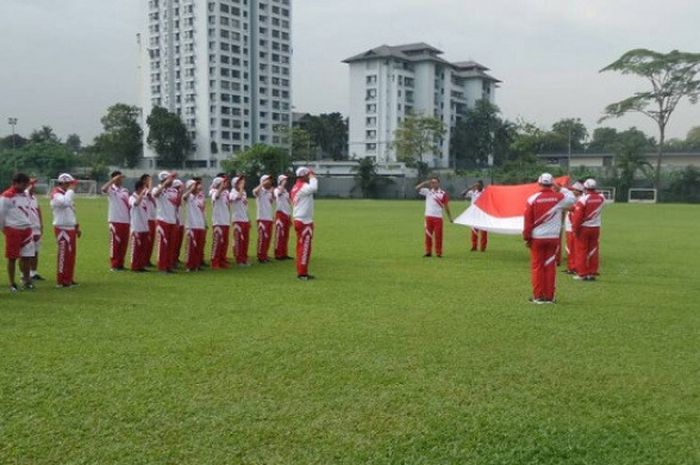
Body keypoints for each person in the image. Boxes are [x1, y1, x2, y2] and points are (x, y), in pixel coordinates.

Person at [523, 173, 575, 304]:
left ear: (539, 183)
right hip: (553, 238)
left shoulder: (532, 199)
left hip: (537, 238)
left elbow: (528, 222)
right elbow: (572, 198)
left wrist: (527, 238)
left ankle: (538, 296)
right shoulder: (558, 197)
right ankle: (549, 296)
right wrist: (561, 188)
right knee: (550, 267)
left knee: (537, 267)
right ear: (551, 184)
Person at [0, 173, 35, 291]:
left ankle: (26, 280)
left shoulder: (25, 195)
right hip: (13, 229)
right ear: (15, 183)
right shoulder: (7, 196)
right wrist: (3, 229)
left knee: (27, 256)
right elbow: (1, 214)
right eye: (23, 184)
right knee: (12, 257)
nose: (25, 186)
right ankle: (11, 282)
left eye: (27, 184)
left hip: (27, 228)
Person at [50, 173, 81, 288]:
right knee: (63, 255)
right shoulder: (56, 194)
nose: (72, 186)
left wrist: (76, 226)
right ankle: (61, 280)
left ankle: (68, 278)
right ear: (63, 183)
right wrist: (70, 191)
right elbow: (65, 203)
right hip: (62, 228)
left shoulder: (66, 194)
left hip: (70, 227)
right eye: (70, 183)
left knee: (71, 255)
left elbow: (71, 210)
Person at [572, 178, 606, 281]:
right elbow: (600, 196)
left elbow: (577, 217)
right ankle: (592, 272)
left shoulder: (583, 199)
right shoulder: (602, 198)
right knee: (593, 250)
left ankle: (582, 273)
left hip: (584, 228)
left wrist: (575, 229)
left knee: (581, 250)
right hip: (596, 227)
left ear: (585, 188)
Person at [291, 167, 318, 280]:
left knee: (300, 247)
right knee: (305, 248)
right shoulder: (303, 186)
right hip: (304, 221)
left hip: (299, 219)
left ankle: (302, 271)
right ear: (304, 176)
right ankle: (302, 273)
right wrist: (313, 177)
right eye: (308, 175)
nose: (309, 176)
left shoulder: (296, 186)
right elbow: (314, 188)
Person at [416, 177, 453, 258]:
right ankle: (428, 252)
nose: (433, 184)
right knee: (428, 235)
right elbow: (417, 188)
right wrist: (425, 182)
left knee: (438, 236)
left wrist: (450, 217)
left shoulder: (443, 193)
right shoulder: (428, 191)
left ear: (438, 183)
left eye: (435, 182)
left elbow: (446, 206)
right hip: (428, 216)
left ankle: (438, 253)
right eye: (432, 182)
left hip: (438, 218)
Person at [101, 171, 130, 271]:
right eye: (119, 178)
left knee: (123, 244)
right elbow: (103, 189)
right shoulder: (111, 190)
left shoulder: (125, 190)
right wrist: (113, 180)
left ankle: (120, 264)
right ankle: (114, 265)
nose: (121, 180)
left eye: (121, 178)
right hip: (115, 220)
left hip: (126, 220)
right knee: (115, 243)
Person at [152, 171, 181, 273]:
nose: (172, 180)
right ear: (164, 179)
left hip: (172, 220)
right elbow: (155, 194)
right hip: (162, 220)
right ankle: (162, 266)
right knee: (162, 245)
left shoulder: (173, 191)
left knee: (171, 245)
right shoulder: (157, 188)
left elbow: (177, 204)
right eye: (170, 178)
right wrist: (164, 184)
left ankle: (168, 266)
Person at [183, 179, 206, 272]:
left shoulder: (198, 198)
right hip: (191, 225)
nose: (197, 187)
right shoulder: (189, 197)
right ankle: (189, 265)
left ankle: (196, 265)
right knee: (190, 247)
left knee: (198, 247)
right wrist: (191, 189)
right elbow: (184, 196)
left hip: (200, 225)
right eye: (195, 186)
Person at [562, 181, 584, 274]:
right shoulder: (575, 198)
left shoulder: (580, 200)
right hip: (570, 226)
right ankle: (571, 267)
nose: (572, 191)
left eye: (574, 190)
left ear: (578, 191)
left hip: (573, 226)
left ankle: (574, 267)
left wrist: (561, 207)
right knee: (570, 247)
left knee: (572, 248)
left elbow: (572, 209)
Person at [128, 179, 150, 272]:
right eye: (143, 188)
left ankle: (141, 265)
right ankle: (134, 266)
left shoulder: (144, 198)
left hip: (144, 226)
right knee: (136, 248)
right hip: (136, 226)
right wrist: (142, 194)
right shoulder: (132, 197)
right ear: (139, 188)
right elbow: (136, 203)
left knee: (143, 248)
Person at [209, 174, 231, 269]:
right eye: (223, 182)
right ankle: (215, 262)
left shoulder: (226, 192)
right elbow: (216, 196)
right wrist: (221, 187)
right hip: (218, 221)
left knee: (224, 242)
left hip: (225, 220)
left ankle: (222, 260)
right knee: (217, 242)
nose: (226, 184)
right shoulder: (213, 192)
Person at [253, 174, 275, 263]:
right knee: (262, 238)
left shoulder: (269, 191)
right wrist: (262, 184)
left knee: (268, 238)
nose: (269, 181)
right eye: (267, 180)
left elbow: (272, 201)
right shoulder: (260, 191)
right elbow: (255, 191)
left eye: (270, 180)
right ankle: (261, 256)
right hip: (262, 218)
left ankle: (264, 255)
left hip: (269, 218)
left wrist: (272, 192)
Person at [230, 175, 250, 266]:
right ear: (235, 184)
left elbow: (246, 206)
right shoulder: (232, 193)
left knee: (245, 241)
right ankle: (239, 260)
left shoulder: (244, 192)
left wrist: (248, 218)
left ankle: (244, 258)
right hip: (237, 220)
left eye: (242, 182)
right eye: (240, 182)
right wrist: (241, 188)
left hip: (245, 219)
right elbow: (237, 198)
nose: (242, 183)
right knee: (239, 241)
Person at [462, 180, 487, 252]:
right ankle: (474, 246)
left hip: (483, 214)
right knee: (474, 231)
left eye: (479, 185)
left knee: (483, 231)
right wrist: (470, 188)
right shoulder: (473, 192)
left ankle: (483, 247)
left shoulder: (485, 192)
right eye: (476, 185)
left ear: (482, 185)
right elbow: (462, 194)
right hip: (474, 214)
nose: (477, 187)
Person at [27, 178, 44, 281]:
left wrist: (41, 224)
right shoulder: (24, 196)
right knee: (27, 252)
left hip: (36, 227)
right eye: (32, 184)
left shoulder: (34, 198)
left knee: (36, 251)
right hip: (28, 228)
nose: (34, 186)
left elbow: (38, 210)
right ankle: (24, 274)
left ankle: (33, 273)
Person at [274, 174, 293, 260]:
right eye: (284, 180)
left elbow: (289, 201)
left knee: (286, 235)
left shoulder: (286, 191)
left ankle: (284, 253)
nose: (286, 181)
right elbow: (278, 194)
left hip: (287, 214)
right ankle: (278, 254)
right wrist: (282, 185)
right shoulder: (277, 189)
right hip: (280, 214)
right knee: (279, 235)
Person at [140, 174, 157, 267]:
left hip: (152, 218)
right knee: (147, 241)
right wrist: (150, 183)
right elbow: (149, 193)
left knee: (151, 241)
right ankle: (144, 260)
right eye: (148, 180)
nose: (150, 181)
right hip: (146, 218)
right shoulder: (143, 191)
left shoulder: (149, 190)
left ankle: (147, 260)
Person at [172, 179, 186, 265]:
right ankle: (172, 259)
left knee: (179, 241)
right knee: (174, 242)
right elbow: (176, 203)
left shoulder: (179, 196)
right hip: (175, 221)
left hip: (181, 221)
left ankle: (176, 258)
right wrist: (180, 193)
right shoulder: (173, 196)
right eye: (180, 187)